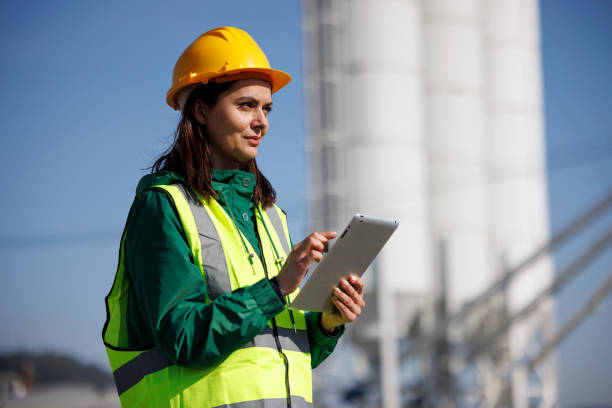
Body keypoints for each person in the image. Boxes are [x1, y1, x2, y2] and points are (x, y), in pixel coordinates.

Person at [102, 26, 366, 408]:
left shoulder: (271, 216)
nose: (263, 122)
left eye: (267, 108)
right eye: (246, 105)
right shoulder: (163, 206)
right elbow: (182, 337)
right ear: (200, 109)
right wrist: (276, 288)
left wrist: (328, 323)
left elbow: (278, 356)